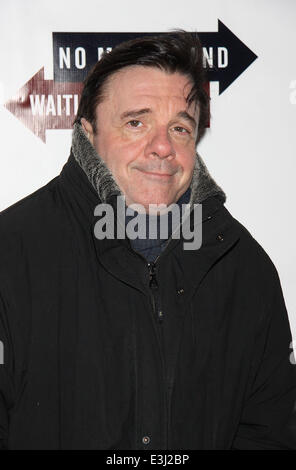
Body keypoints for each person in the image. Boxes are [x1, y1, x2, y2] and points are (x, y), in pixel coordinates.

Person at [0, 31, 296, 450]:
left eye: (179, 127)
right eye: (136, 122)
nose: (162, 147)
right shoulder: (11, 256)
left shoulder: (244, 270)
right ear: (88, 132)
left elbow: (270, 433)